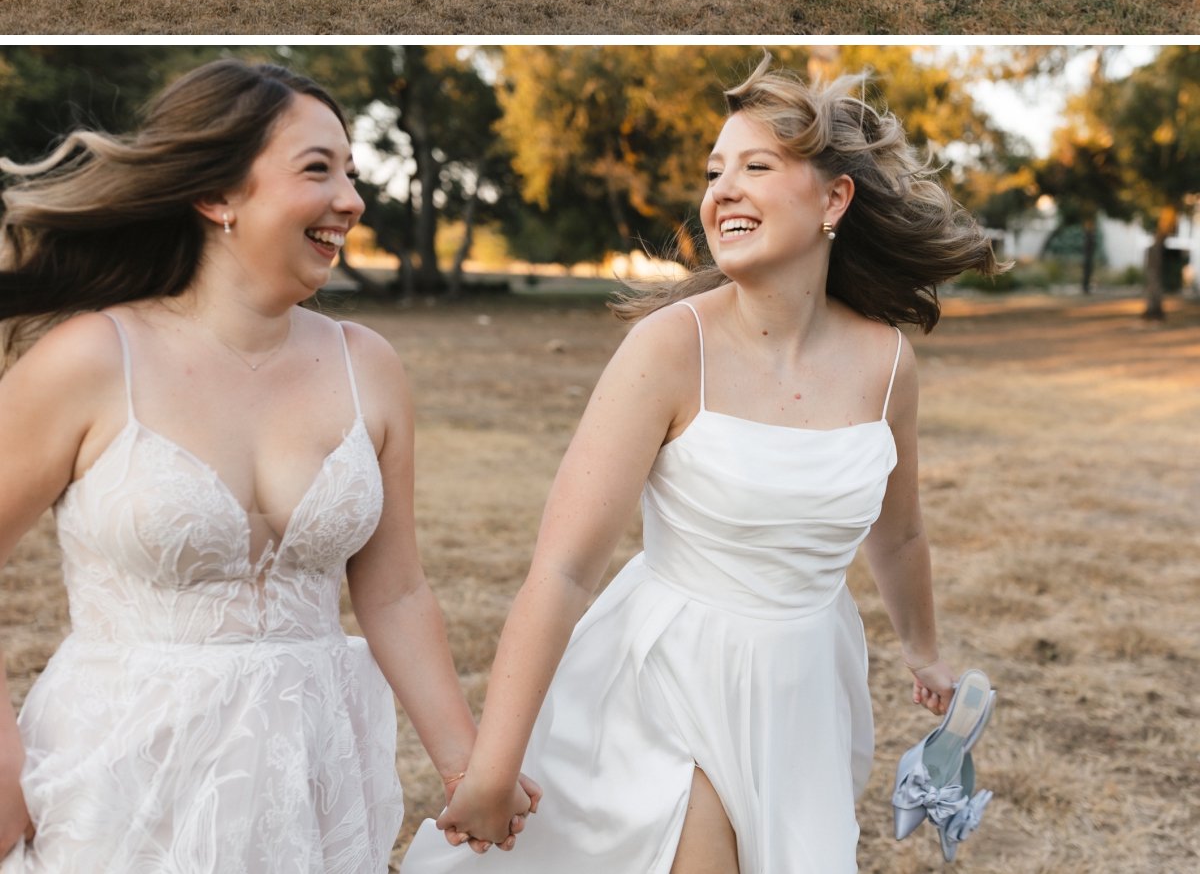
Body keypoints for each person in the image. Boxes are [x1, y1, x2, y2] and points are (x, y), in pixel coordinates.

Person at [405, 58, 995, 871]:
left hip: (803, 685)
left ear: (834, 199)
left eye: (756, 166)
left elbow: (899, 535)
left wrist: (924, 651)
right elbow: (564, 569)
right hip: (668, 673)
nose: (722, 189)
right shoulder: (669, 347)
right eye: (715, 171)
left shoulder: (887, 363)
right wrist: (493, 767)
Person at [0, 60, 537, 872]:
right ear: (218, 197)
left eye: (352, 171)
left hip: (310, 779)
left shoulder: (370, 367)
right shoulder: (88, 360)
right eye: (317, 168)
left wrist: (468, 764)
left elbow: (393, 590)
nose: (351, 199)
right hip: (119, 784)